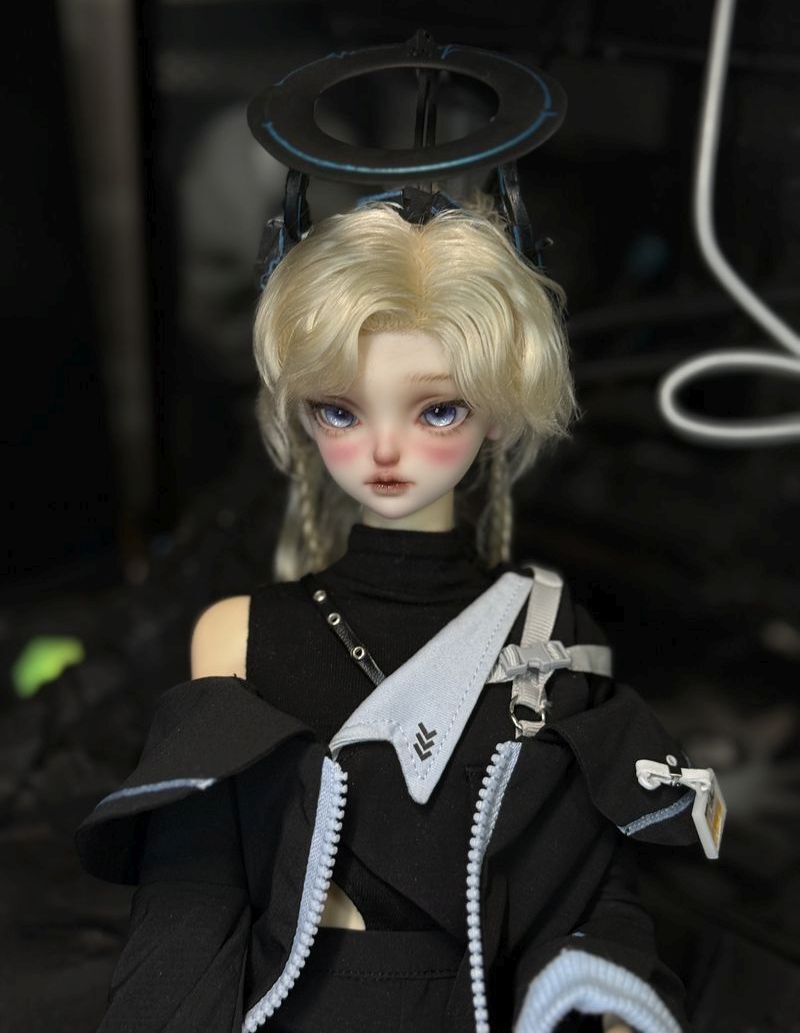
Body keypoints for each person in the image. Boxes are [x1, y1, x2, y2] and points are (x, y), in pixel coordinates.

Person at [77, 199, 704, 1033]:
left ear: (496, 411)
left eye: (437, 409)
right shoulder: (239, 633)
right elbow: (191, 901)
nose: (382, 450)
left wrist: (615, 1006)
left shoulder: (550, 634)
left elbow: (590, 897)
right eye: (340, 409)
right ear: (303, 412)